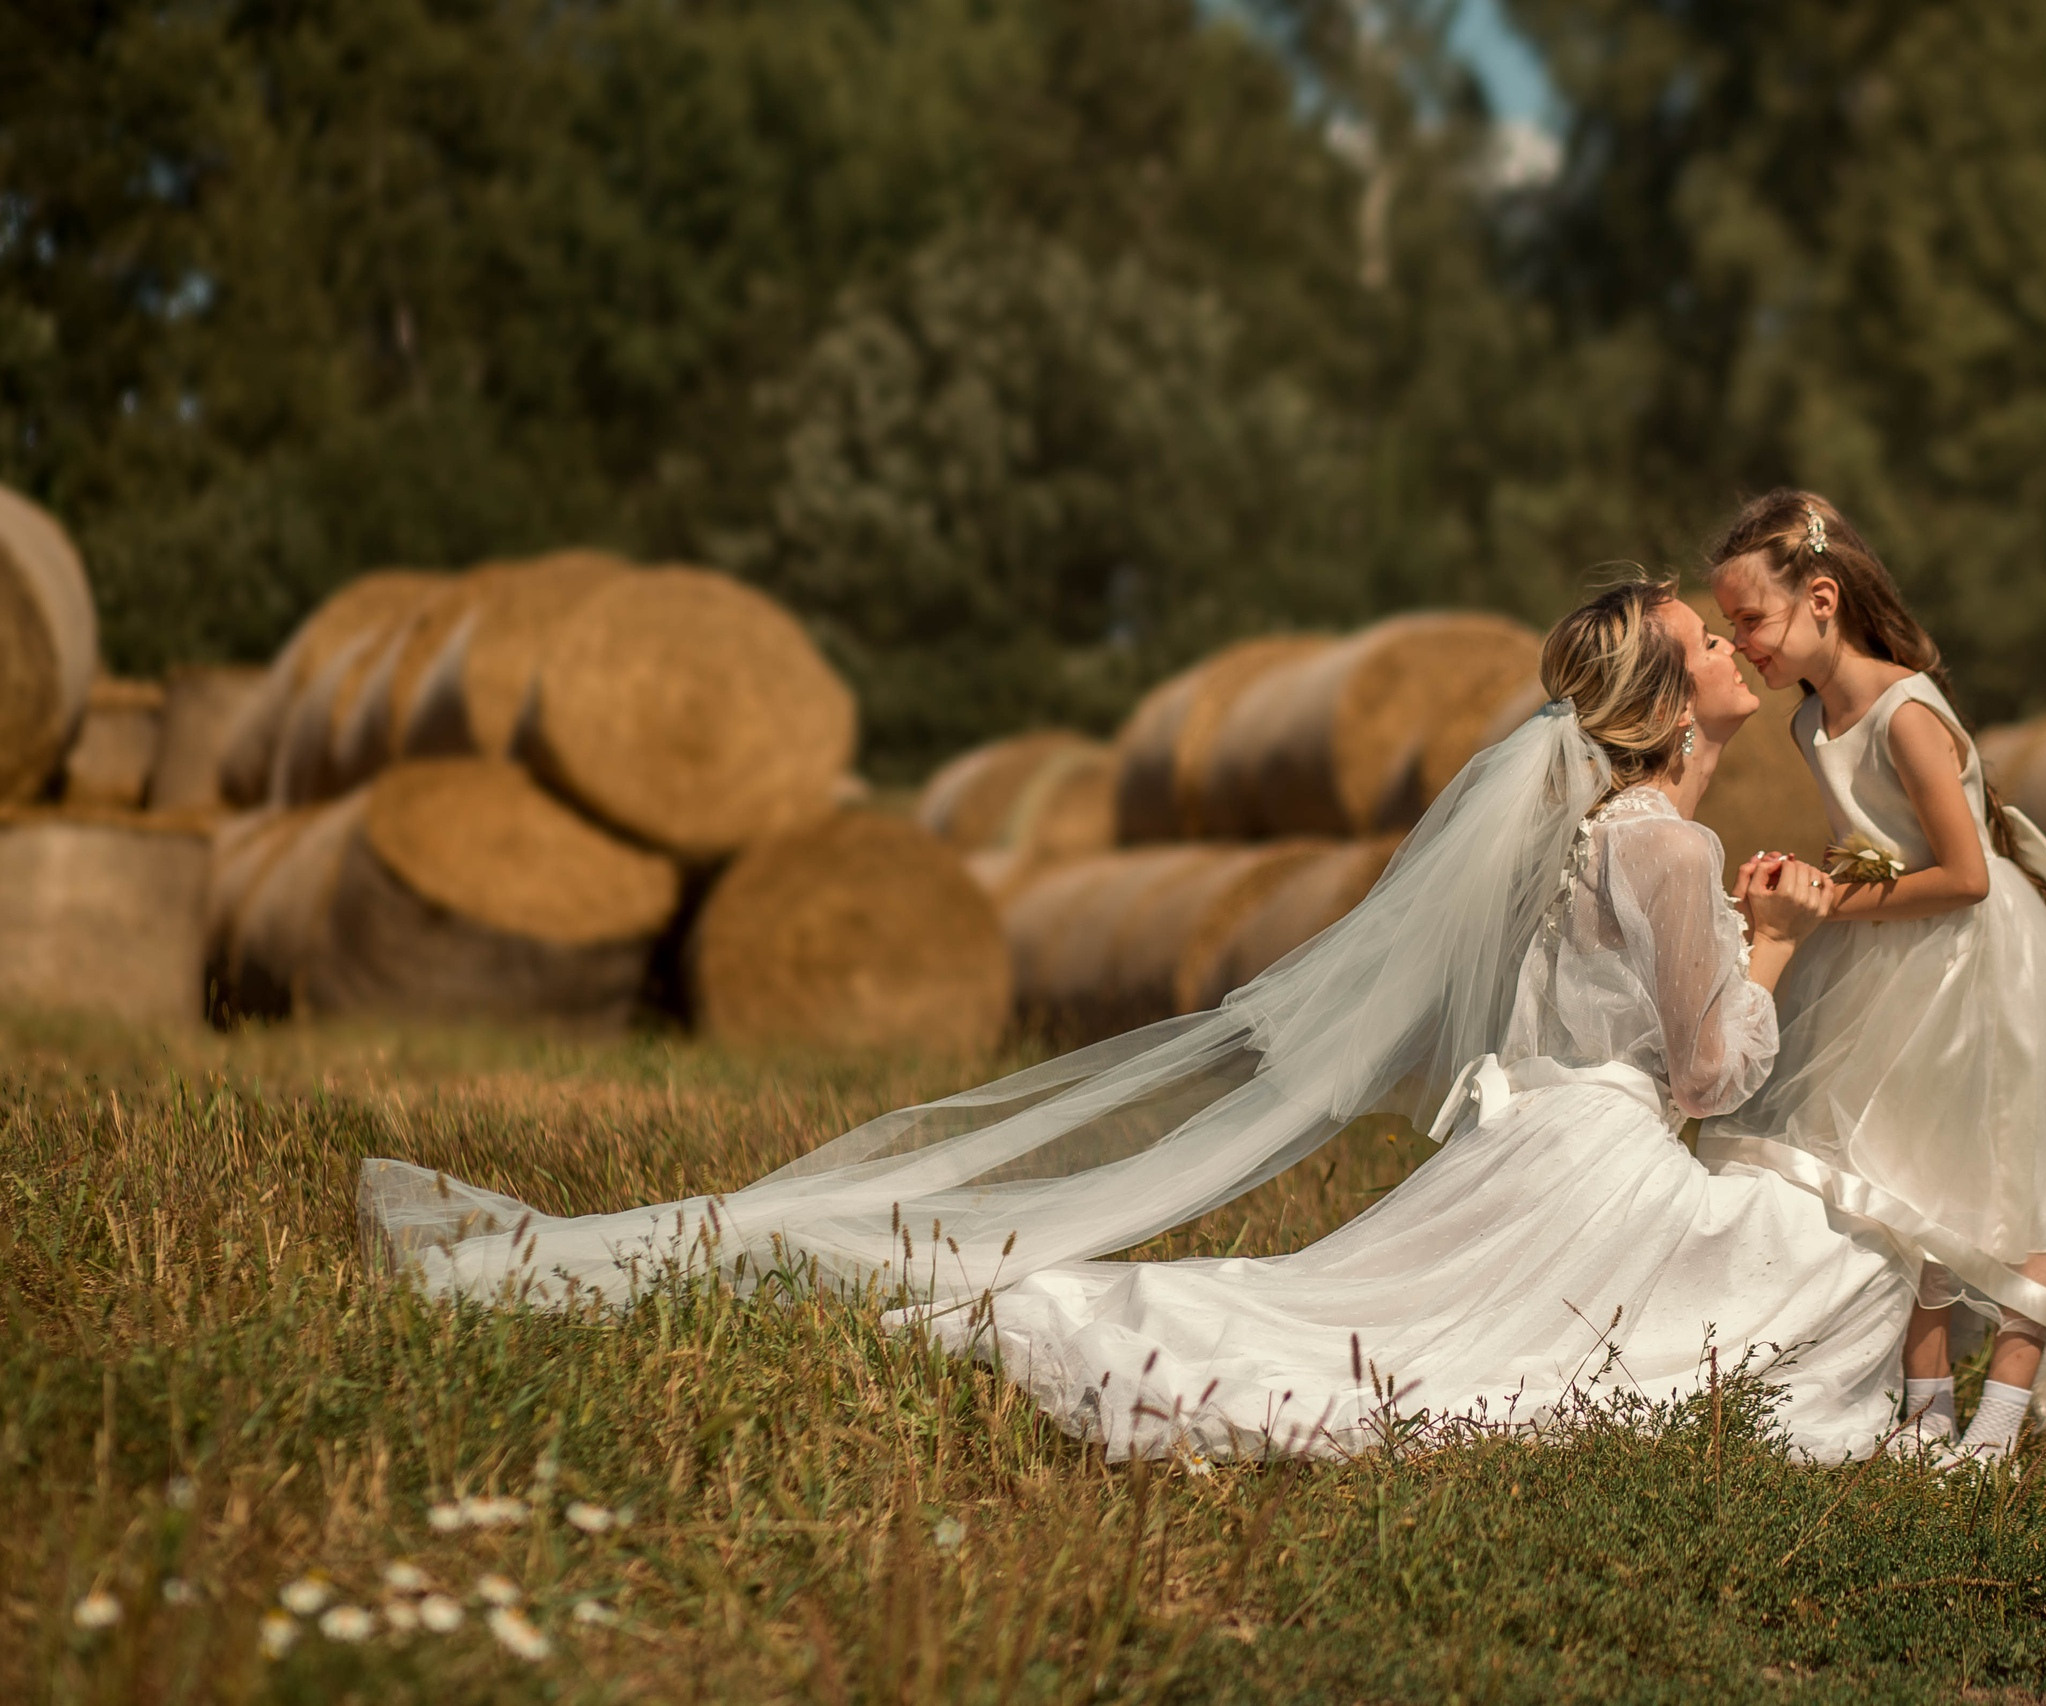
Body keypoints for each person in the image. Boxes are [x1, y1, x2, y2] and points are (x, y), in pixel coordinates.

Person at [359, 577, 1914, 1463]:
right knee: (1849, 1267)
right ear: (1666, 693)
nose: (1735, 642)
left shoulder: (1592, 832)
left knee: (1325, 1310)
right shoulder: (1670, 843)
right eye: (1711, 639)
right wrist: (1772, 941)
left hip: (1532, 1154)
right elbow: (1706, 1081)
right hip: (1602, 1168)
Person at [1700, 490, 2046, 1461]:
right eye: (1728, 627)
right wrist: (1801, 878)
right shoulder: (1810, 724)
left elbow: (1968, 874)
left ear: (1820, 598)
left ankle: (1995, 1428)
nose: (1743, 643)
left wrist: (1826, 907)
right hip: (1890, 952)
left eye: (1749, 620)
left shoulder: (1903, 711)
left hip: (1974, 961)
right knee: (1895, 1176)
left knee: (2017, 1185)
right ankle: (1922, 1408)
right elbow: (1879, 850)